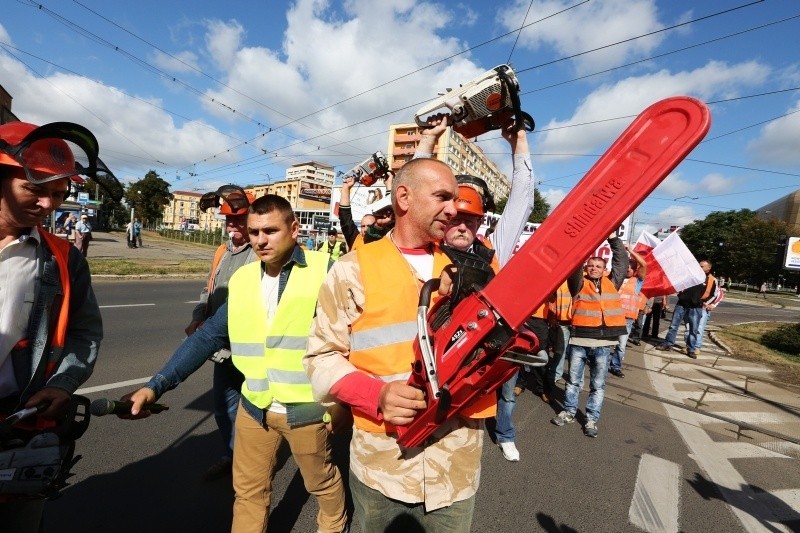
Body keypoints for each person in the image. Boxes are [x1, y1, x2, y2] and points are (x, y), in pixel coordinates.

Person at [122, 195, 347, 533]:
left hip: (307, 409)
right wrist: (155, 386)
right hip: (254, 406)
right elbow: (207, 336)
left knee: (321, 482)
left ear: (294, 229)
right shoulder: (242, 280)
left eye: (270, 230)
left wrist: (343, 404)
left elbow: (353, 339)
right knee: (248, 492)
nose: (260, 240)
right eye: (255, 232)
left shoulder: (326, 270)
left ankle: (335, 524)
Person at [305, 157, 494, 532]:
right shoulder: (353, 267)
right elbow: (321, 356)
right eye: (443, 196)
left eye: (456, 199)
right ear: (404, 197)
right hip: (383, 468)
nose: (455, 208)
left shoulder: (473, 270)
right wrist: (375, 394)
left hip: (454, 469)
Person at [0, 121, 104, 531]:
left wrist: (62, 384)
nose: (48, 205)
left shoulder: (63, 258)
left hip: (17, 428)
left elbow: (84, 331)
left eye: (59, 195)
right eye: (35, 189)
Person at [415, 115, 534, 462]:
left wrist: (519, 143)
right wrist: (427, 141)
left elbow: (522, 202)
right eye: (456, 218)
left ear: (481, 221)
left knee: (497, 402)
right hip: (440, 352)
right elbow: (409, 191)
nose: (463, 226)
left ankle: (506, 434)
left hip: (485, 352)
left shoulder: (494, 246)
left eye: (471, 219)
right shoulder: (426, 247)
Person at [184, 190, 256, 481]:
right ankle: (232, 456)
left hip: (250, 348)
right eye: (228, 219)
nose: (232, 225)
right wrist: (198, 317)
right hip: (221, 346)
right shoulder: (221, 251)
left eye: (238, 219)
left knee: (253, 410)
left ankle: (253, 465)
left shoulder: (260, 250)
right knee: (223, 407)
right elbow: (209, 288)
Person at [551, 234, 628, 438]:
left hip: (603, 344)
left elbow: (622, 261)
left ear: (604, 270)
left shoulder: (613, 282)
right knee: (574, 382)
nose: (594, 268)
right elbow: (574, 263)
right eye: (590, 265)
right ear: (586, 268)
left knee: (598, 385)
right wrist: (584, 241)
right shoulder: (577, 283)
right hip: (579, 341)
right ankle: (568, 412)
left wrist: (613, 240)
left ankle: (591, 419)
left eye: (598, 266)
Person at [656, 260, 717, 359]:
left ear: (708, 268)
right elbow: (680, 284)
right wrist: (681, 295)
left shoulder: (711, 280)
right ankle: (668, 344)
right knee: (673, 326)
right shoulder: (690, 274)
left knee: (693, 329)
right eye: (699, 265)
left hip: (695, 307)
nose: (699, 267)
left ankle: (691, 349)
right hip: (681, 304)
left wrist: (703, 302)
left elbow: (714, 294)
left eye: (702, 266)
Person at [609, 246, 647, 378]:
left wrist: (630, 251)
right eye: (627, 266)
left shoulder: (637, 281)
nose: (628, 269)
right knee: (606, 344)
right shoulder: (614, 278)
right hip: (611, 317)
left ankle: (616, 366)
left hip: (626, 320)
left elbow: (644, 264)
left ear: (635, 269)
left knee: (621, 345)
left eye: (631, 267)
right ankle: (600, 364)